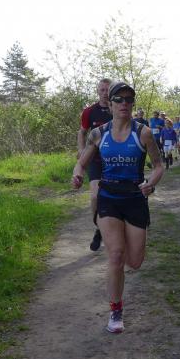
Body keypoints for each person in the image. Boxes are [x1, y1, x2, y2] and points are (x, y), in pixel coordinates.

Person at [71, 81, 164, 334]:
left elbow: (158, 166)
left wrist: (151, 183)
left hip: (134, 198)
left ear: (133, 104)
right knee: (116, 255)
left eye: (129, 99)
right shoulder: (98, 134)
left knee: (135, 262)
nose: (124, 103)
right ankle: (115, 310)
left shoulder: (143, 132)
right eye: (119, 99)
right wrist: (77, 175)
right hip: (109, 197)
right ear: (110, 104)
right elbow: (81, 163)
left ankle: (119, 247)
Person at [78, 78, 113, 251]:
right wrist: (81, 151)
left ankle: (108, 228)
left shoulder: (118, 110)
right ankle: (98, 228)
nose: (105, 93)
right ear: (97, 91)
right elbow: (82, 132)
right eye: (102, 90)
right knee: (94, 197)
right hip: (96, 159)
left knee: (113, 198)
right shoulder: (89, 112)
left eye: (108, 90)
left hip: (115, 160)